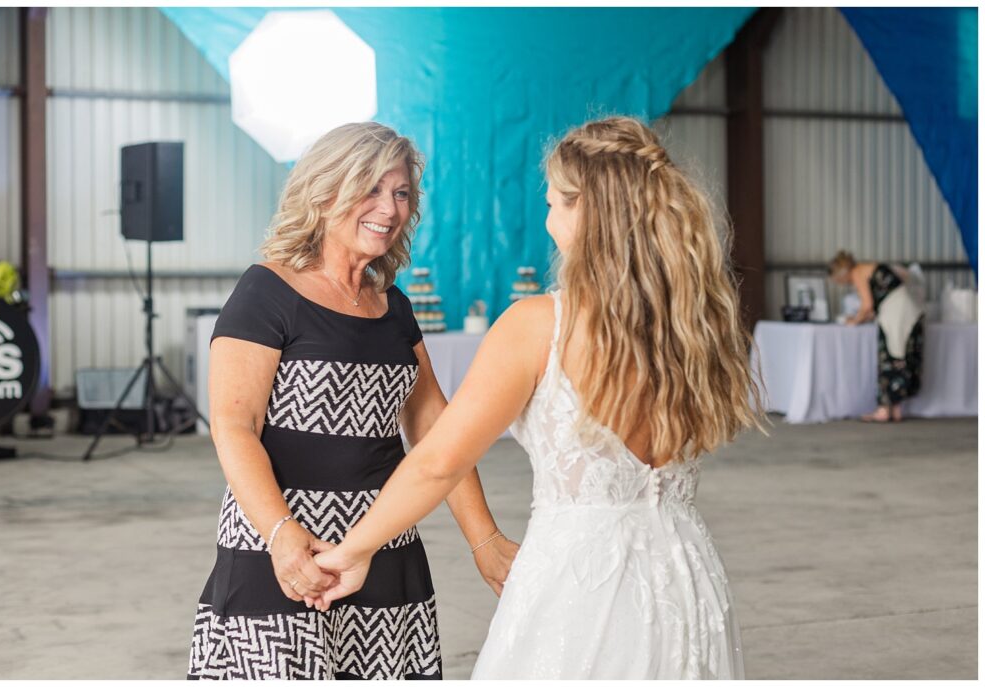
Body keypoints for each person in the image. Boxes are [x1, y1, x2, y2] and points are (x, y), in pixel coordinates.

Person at [310, 116, 766, 679]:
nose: (548, 222)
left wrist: (352, 551)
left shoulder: (538, 325)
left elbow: (438, 460)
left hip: (582, 586)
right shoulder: (693, 327)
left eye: (555, 204)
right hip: (686, 575)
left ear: (588, 212)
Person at [187, 122, 518, 680]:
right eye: (370, 188)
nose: (388, 208)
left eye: (401, 192)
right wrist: (281, 533)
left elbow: (438, 434)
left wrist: (484, 539)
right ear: (324, 191)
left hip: (384, 542)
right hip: (283, 545)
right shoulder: (267, 291)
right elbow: (232, 426)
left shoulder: (394, 307)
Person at [828, 251, 925, 422]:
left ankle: (883, 410)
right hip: (910, 312)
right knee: (902, 357)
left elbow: (867, 306)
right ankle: (895, 409)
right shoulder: (870, 267)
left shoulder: (858, 272)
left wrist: (854, 321)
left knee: (889, 358)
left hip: (896, 315)